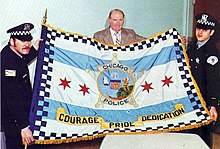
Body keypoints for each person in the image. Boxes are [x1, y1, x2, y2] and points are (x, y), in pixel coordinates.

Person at [1, 23, 42, 149]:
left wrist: (35, 49)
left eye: (29, 40)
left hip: (19, 116)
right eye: (22, 41)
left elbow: (21, 62)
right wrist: (24, 127)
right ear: (12, 41)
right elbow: (13, 98)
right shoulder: (8, 62)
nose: (26, 44)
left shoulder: (13, 54)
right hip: (14, 119)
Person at [186, 13, 220, 147]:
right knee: (189, 135)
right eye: (198, 28)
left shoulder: (211, 53)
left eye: (204, 29)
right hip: (190, 100)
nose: (200, 32)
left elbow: (213, 80)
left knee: (201, 138)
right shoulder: (193, 48)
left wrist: (213, 105)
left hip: (203, 101)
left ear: (211, 32)